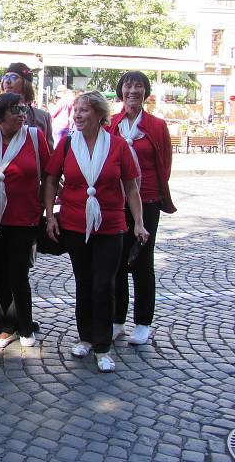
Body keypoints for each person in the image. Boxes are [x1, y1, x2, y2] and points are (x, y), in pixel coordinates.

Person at [43, 91, 149, 373]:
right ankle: (86, 336)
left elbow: (131, 188)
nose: (77, 115)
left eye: (84, 111)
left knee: (104, 284)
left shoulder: (118, 146)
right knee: (84, 282)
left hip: (110, 226)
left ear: (100, 115)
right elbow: (51, 181)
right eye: (75, 110)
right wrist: (49, 218)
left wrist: (138, 222)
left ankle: (103, 345)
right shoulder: (66, 145)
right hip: (75, 225)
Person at [108, 72, 176, 345]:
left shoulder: (157, 126)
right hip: (116, 201)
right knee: (117, 262)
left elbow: (165, 164)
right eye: (128, 85)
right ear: (120, 91)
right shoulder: (111, 123)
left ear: (146, 92)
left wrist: (150, 191)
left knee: (142, 262)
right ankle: (117, 320)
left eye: (138, 86)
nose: (133, 90)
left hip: (147, 201)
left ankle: (143, 322)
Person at [0, 63, 54, 333]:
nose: (21, 115)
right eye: (15, 111)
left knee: (18, 273)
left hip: (25, 216)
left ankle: (24, 324)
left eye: (23, 109)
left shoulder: (36, 137)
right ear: (0, 116)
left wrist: (47, 212)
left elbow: (50, 174)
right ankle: (5, 322)